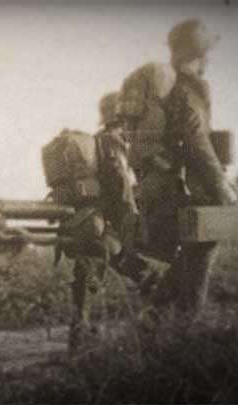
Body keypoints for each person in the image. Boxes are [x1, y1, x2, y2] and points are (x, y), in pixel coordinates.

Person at [117, 18, 238, 316]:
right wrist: (223, 187)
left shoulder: (170, 87)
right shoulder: (187, 89)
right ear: (197, 53)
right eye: (205, 53)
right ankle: (182, 328)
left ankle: (157, 320)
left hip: (159, 181)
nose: (208, 60)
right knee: (202, 248)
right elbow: (197, 142)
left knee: (195, 250)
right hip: (178, 183)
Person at [67, 92, 165, 353]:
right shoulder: (113, 141)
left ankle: (78, 339)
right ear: (120, 116)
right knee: (145, 273)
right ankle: (153, 332)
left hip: (85, 221)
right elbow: (121, 184)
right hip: (104, 225)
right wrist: (131, 218)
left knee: (87, 276)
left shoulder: (97, 141)